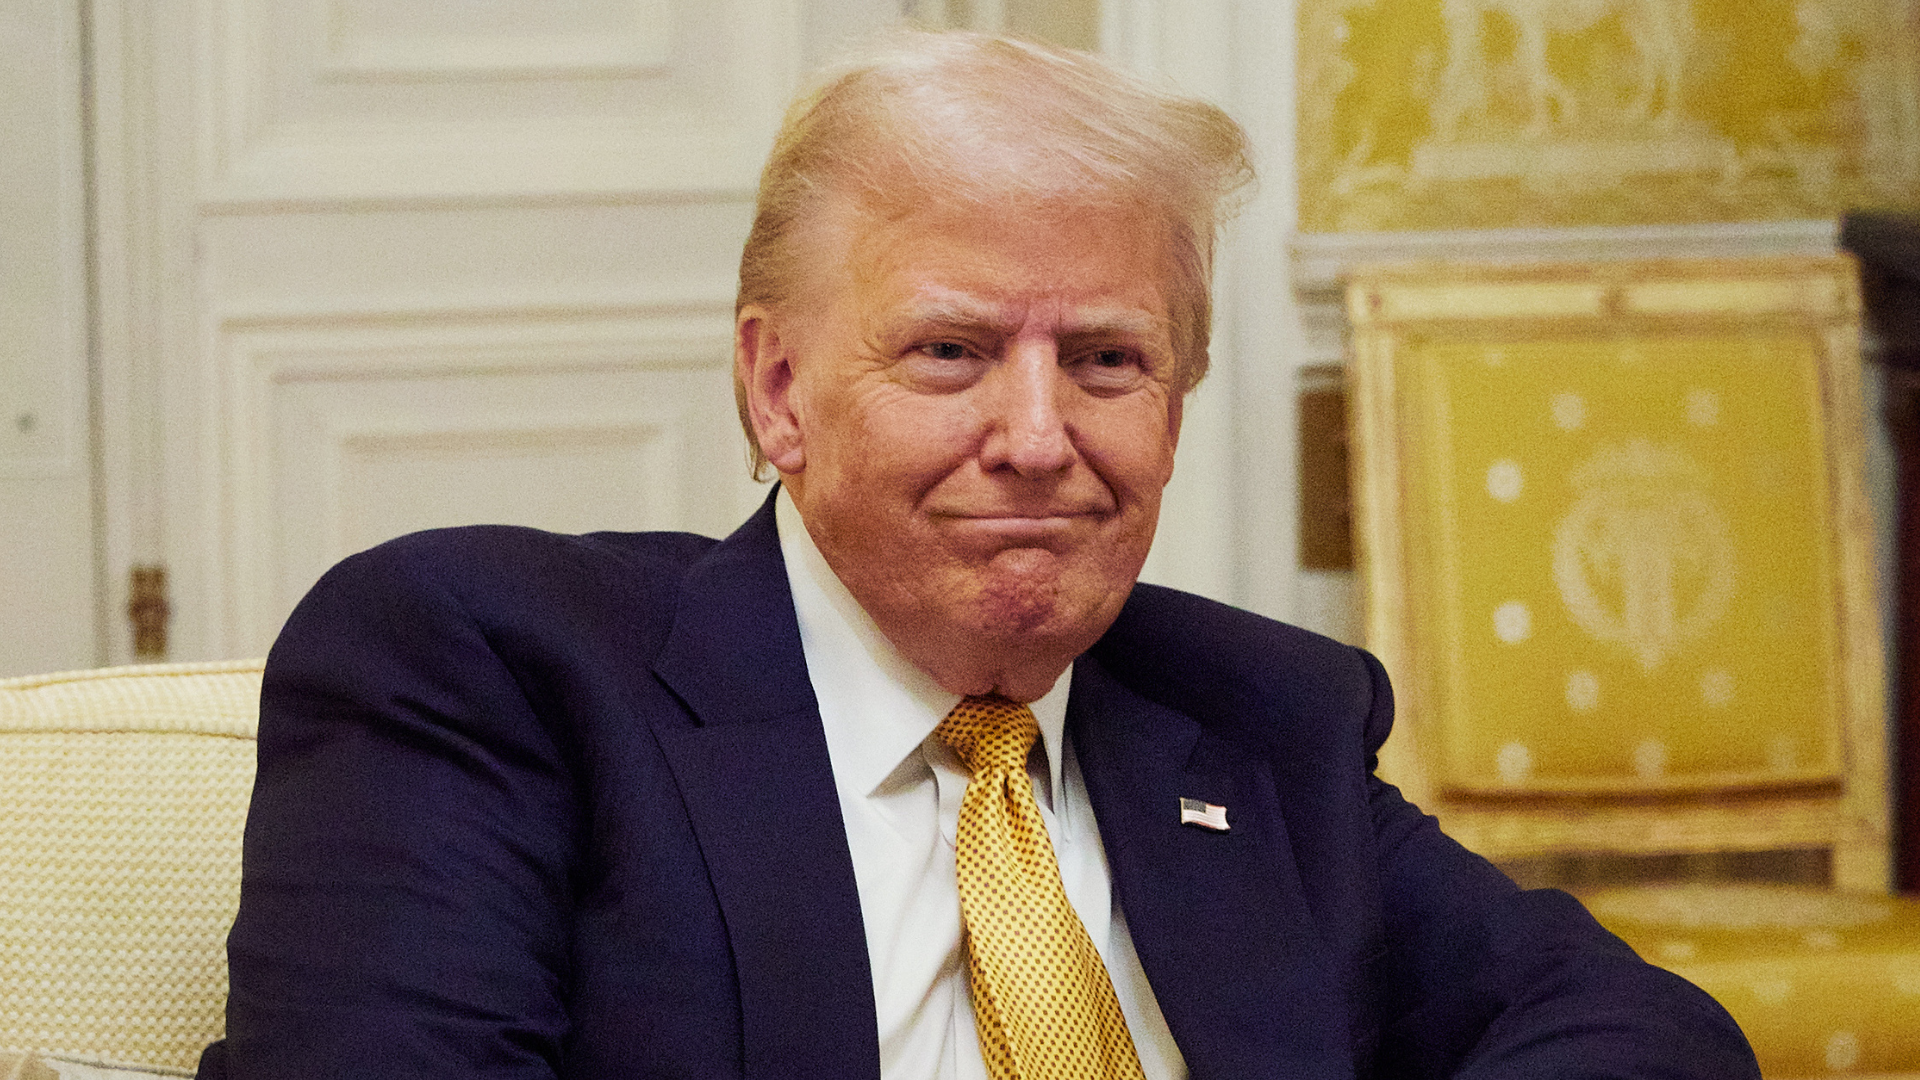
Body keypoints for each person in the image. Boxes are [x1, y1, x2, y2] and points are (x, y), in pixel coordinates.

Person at [202, 29, 1757, 1080]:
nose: (1036, 436)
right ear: (778, 389)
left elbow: (1642, 1036)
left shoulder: (1259, 719)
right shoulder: (496, 667)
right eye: (949, 351)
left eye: (1105, 360)